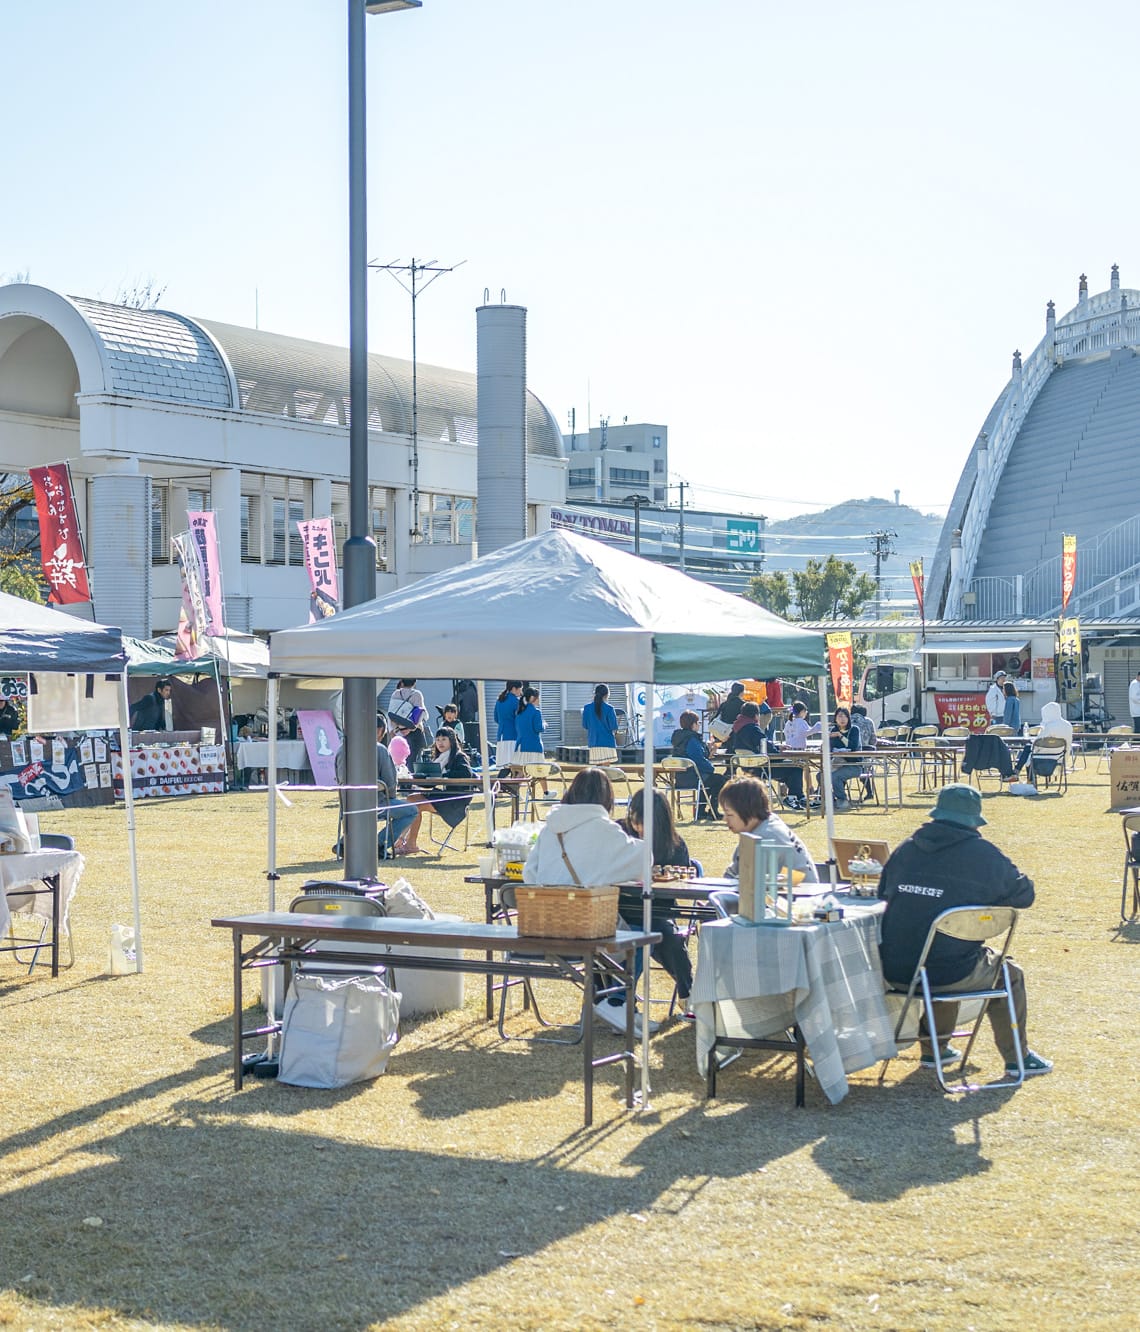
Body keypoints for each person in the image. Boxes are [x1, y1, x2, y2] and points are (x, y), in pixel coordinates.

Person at [877, 783, 1052, 1076]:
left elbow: (881, 892)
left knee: (940, 953)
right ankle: (1016, 1057)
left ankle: (935, 1049)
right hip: (948, 970)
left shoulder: (906, 848)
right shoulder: (982, 854)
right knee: (1007, 974)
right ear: (974, 820)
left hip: (893, 968)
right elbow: (1025, 895)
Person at [522, 767, 656, 1036]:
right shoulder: (604, 829)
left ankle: (609, 1002)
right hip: (585, 925)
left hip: (545, 927)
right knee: (644, 936)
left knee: (614, 935)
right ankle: (616, 1001)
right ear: (606, 797)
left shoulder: (551, 828)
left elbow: (529, 873)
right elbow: (643, 861)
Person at [621, 788, 696, 1015]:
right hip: (620, 909)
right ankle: (617, 997)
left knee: (671, 940)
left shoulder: (674, 844)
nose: (640, 829)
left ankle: (688, 993)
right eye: (636, 822)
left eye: (646, 824)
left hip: (657, 910)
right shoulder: (619, 833)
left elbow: (681, 884)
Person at [334, 715, 417, 857]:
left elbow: (340, 778)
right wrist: (390, 796)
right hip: (376, 804)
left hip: (348, 805)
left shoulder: (342, 749)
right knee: (411, 811)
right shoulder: (379, 749)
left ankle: (345, 842)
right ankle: (379, 843)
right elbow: (390, 782)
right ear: (379, 731)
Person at [718, 776, 818, 882]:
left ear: (749, 811)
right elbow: (733, 872)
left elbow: (753, 887)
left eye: (729, 814)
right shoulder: (762, 826)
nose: (725, 819)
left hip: (797, 896)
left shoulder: (765, 839)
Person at [395, 726, 476, 855]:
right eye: (437, 739)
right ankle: (403, 841)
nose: (440, 742)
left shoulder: (459, 757)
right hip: (443, 796)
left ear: (452, 741)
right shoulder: (439, 759)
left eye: (444, 739)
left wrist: (444, 775)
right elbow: (430, 783)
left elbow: (466, 773)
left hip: (455, 801)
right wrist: (419, 775)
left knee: (414, 805)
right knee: (411, 800)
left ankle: (409, 843)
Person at [669, 709, 727, 820]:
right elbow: (698, 760)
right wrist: (711, 767)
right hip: (693, 777)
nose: (699, 725)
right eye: (698, 722)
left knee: (709, 779)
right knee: (719, 780)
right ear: (693, 724)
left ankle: (701, 812)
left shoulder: (679, 739)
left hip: (680, 778)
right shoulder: (691, 739)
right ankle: (713, 811)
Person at [829, 705, 863, 809]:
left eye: (844, 716)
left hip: (853, 765)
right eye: (839, 716)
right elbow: (830, 749)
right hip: (836, 763)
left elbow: (852, 746)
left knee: (835, 777)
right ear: (835, 718)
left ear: (848, 718)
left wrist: (840, 736)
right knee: (820, 775)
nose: (842, 719)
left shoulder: (854, 730)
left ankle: (842, 800)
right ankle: (829, 799)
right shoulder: (833, 730)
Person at [582, 684, 619, 764]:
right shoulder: (609, 708)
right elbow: (613, 726)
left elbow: (585, 725)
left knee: (597, 771)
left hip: (593, 742)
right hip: (607, 742)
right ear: (607, 694)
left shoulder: (587, 708)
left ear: (595, 693)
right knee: (606, 770)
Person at [494, 680, 523, 769]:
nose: (521, 692)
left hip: (501, 735)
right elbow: (520, 720)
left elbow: (496, 718)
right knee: (514, 766)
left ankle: (502, 782)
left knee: (504, 766)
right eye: (520, 689)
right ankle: (501, 782)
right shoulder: (516, 702)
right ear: (514, 688)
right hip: (513, 736)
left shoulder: (499, 701)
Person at [1130, 669, 1140, 735]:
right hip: (1137, 712)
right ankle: (1135, 744)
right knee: (1138, 729)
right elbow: (1134, 697)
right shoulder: (1134, 684)